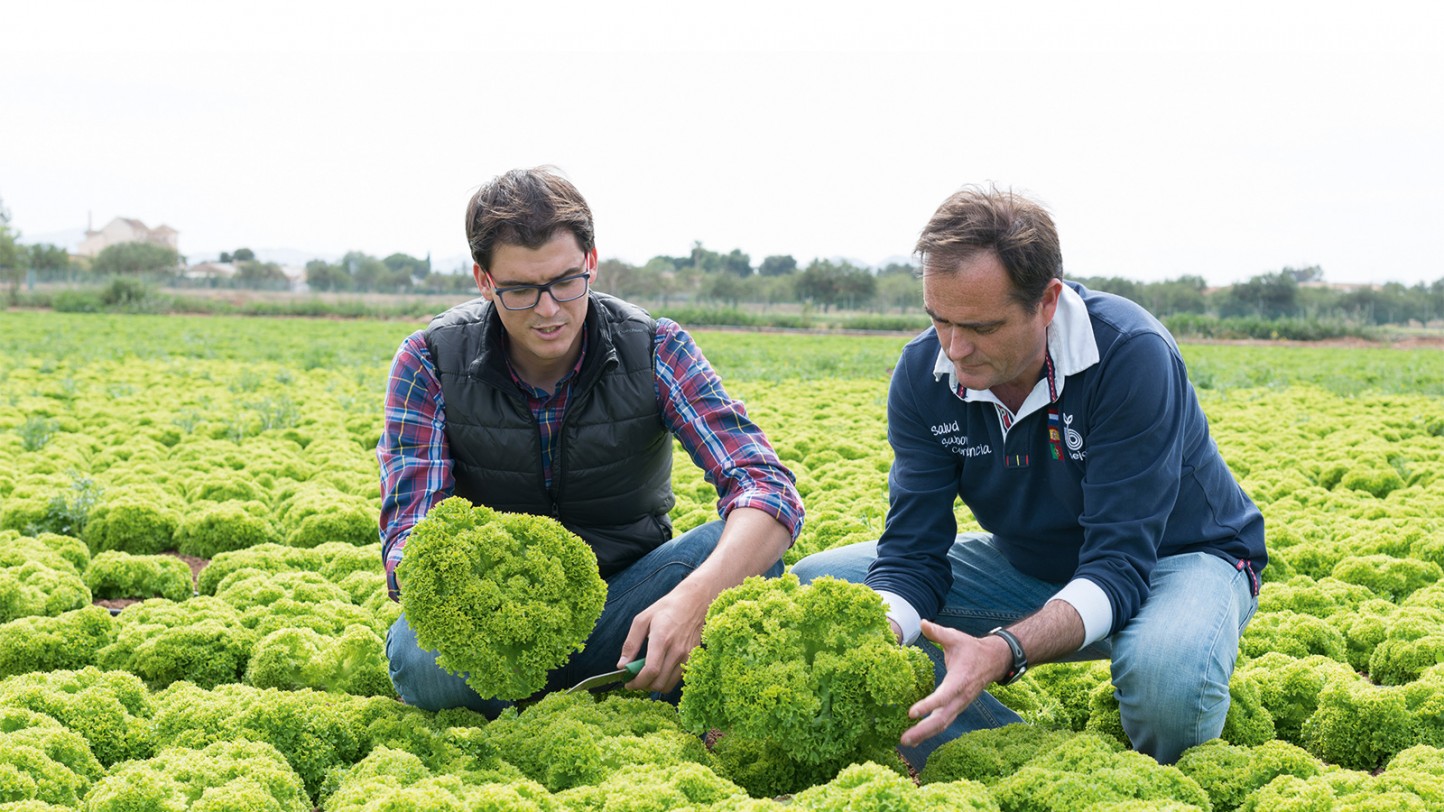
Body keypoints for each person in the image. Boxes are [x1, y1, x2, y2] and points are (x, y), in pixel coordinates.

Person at [790, 185, 1266, 767]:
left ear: (1047, 303)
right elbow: (913, 553)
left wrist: (1004, 649)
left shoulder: (1128, 355)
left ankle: (1160, 781)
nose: (955, 349)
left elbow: (1117, 564)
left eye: (982, 327)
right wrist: (880, 637)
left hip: (1179, 559)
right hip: (1036, 564)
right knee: (832, 595)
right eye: (938, 319)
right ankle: (1012, 751)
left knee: (1168, 682)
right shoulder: (924, 374)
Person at [379, 166, 802, 716]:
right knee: (421, 663)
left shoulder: (654, 347)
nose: (549, 309)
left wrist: (693, 600)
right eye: (521, 291)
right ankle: (613, 687)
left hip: (629, 599)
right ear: (485, 282)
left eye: (565, 281)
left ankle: (597, 677)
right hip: (494, 628)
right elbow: (410, 534)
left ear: (592, 262)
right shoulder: (431, 359)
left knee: (742, 556)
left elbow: (766, 487)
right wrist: (487, 598)